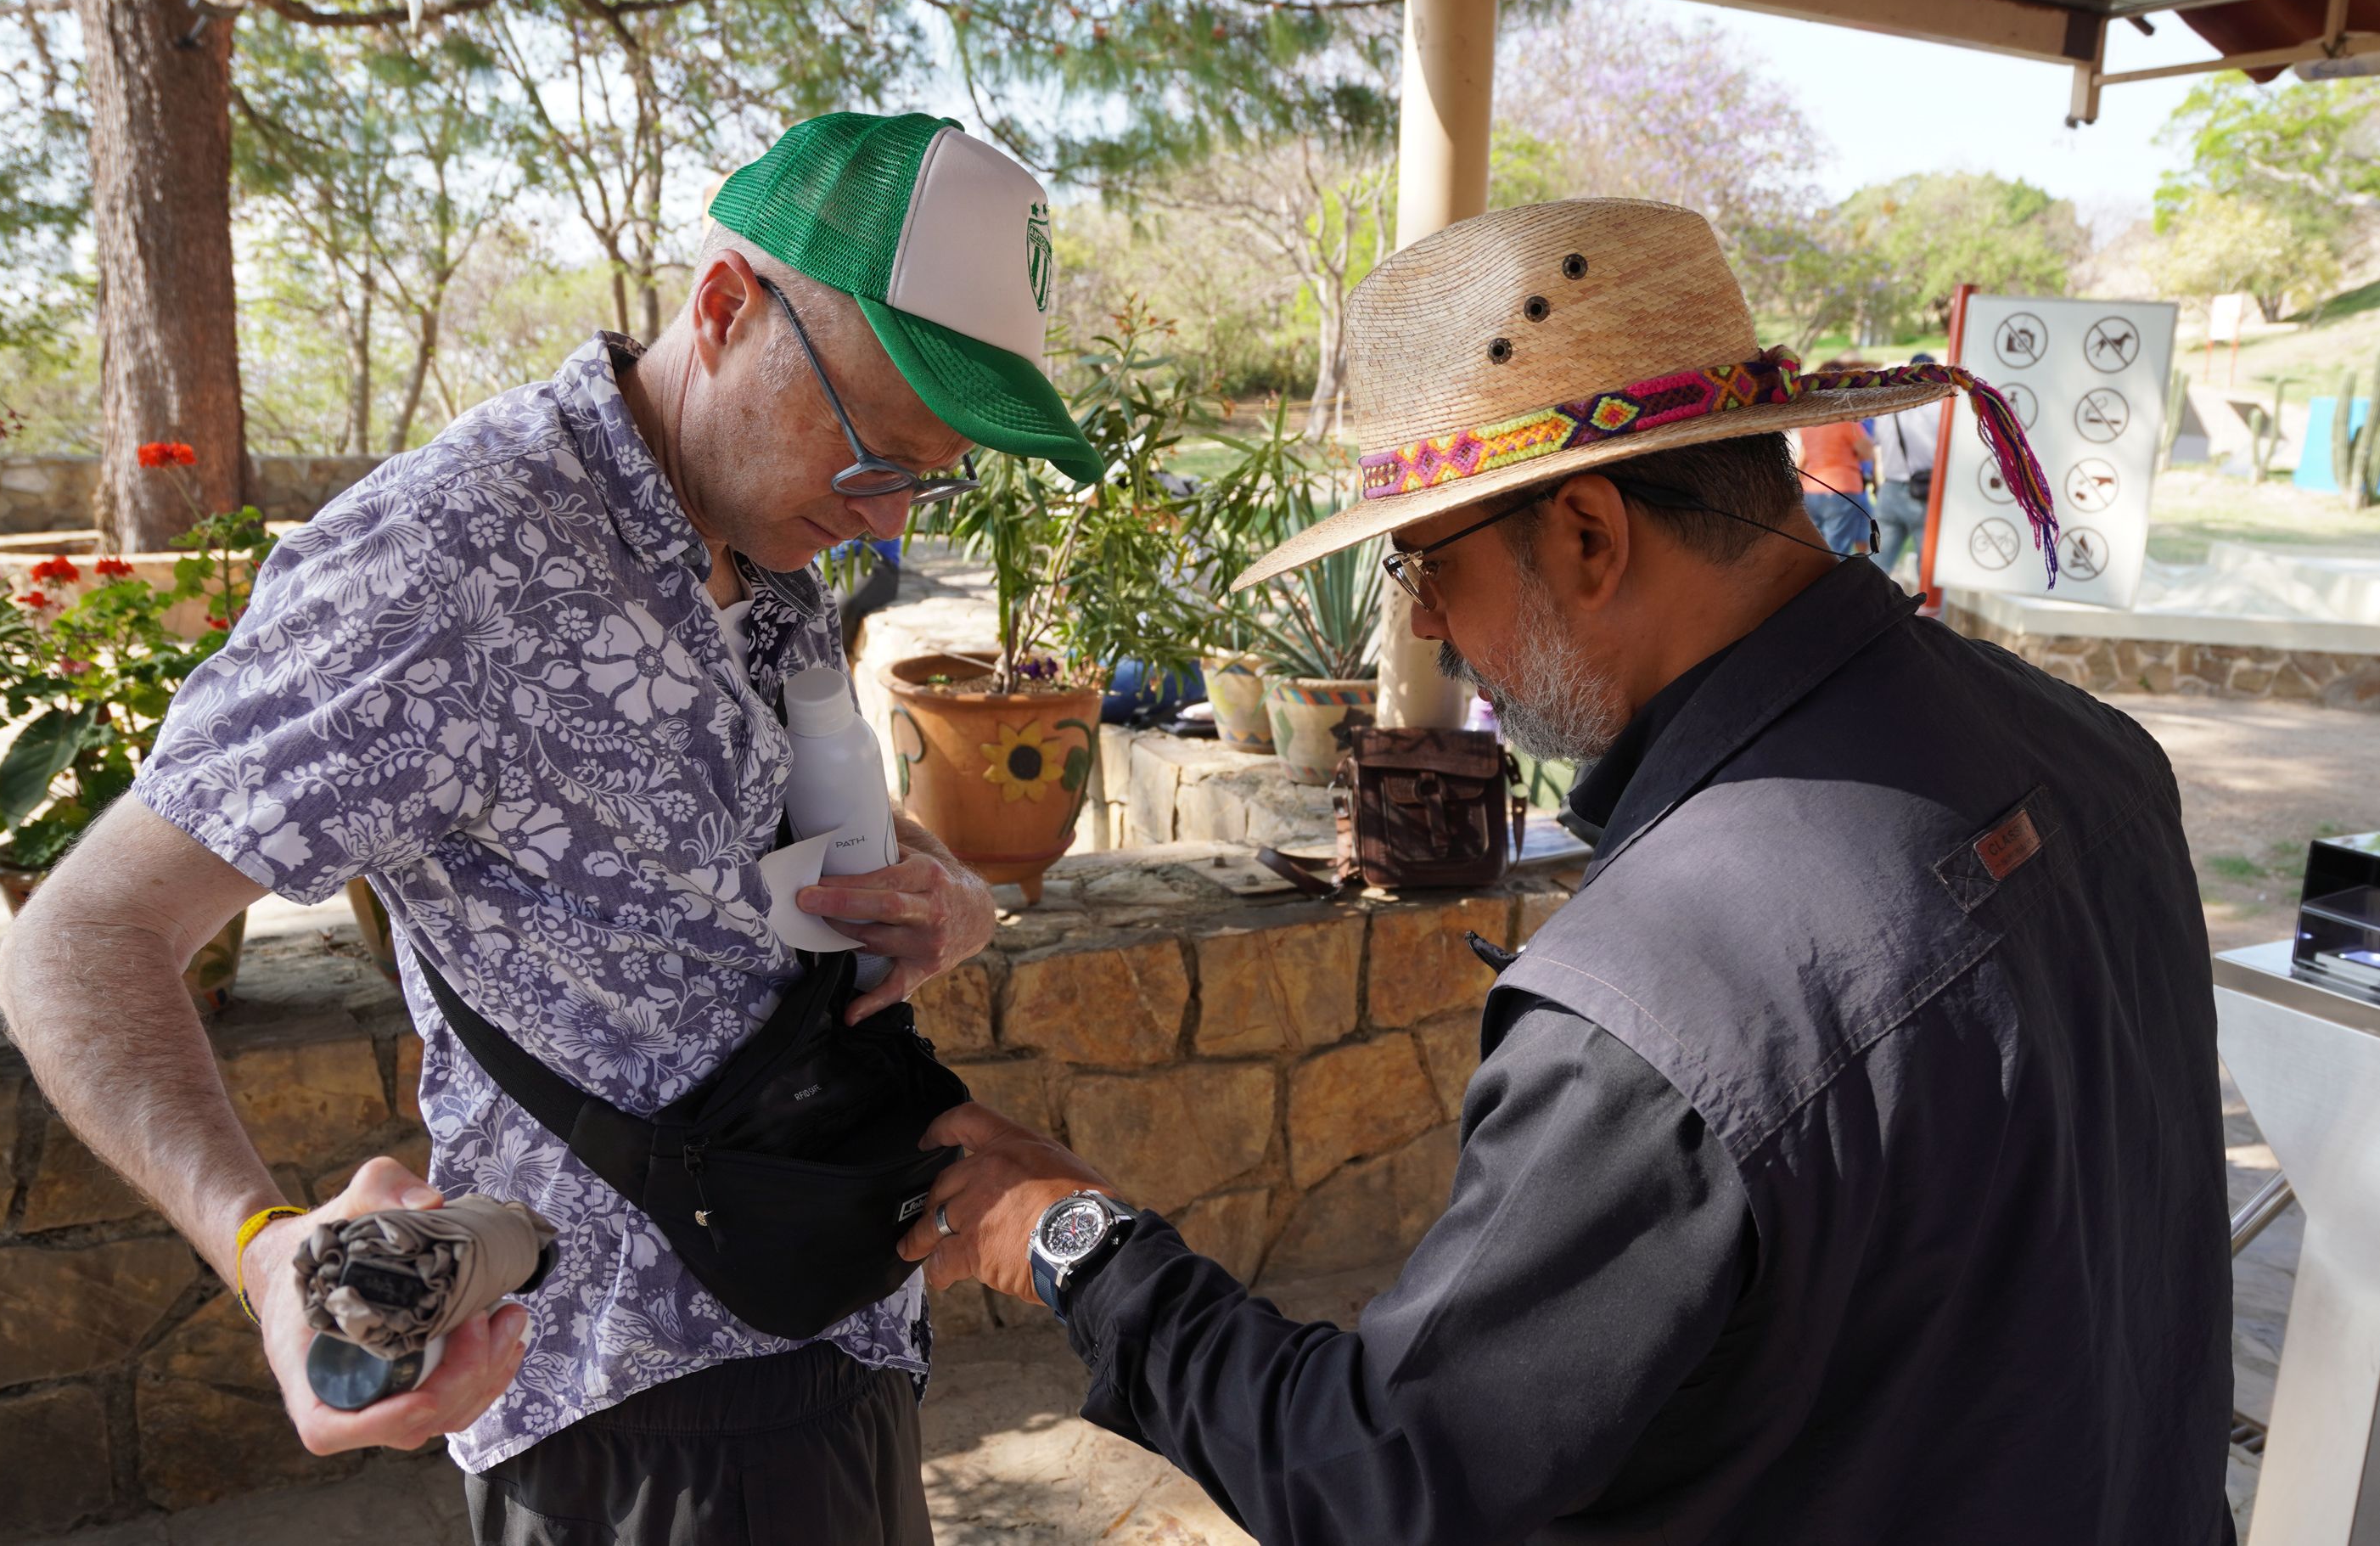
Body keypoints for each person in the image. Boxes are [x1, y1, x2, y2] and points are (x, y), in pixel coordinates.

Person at [900, 200, 2235, 1544]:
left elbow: (1382, 1480)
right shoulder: (2093, 752)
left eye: (1426, 564)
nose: (1422, 619)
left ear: (1589, 536)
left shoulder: (1665, 1004)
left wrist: (1071, 1239)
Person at [0, 111, 1103, 1546]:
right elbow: (79, 937)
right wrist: (266, 1251)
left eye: (922, 477)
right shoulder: (451, 558)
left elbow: (732, 805)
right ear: (723, 310)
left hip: (835, 1320)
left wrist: (945, 889)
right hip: (628, 1411)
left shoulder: (757, 543)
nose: (888, 524)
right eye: (875, 454)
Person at [1872, 350, 1944, 576]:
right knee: (1929, 569)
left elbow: (1877, 442)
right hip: (1923, 491)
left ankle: (1864, 610)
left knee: (1877, 567)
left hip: (1890, 489)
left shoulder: (1889, 407)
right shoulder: (1939, 407)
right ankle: (1928, 611)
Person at [1794, 360, 1876, 554]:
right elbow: (1867, 452)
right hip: (1841, 488)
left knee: (1815, 548)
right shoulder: (1843, 420)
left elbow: (1802, 461)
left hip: (1811, 489)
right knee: (1837, 550)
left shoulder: (1810, 422)